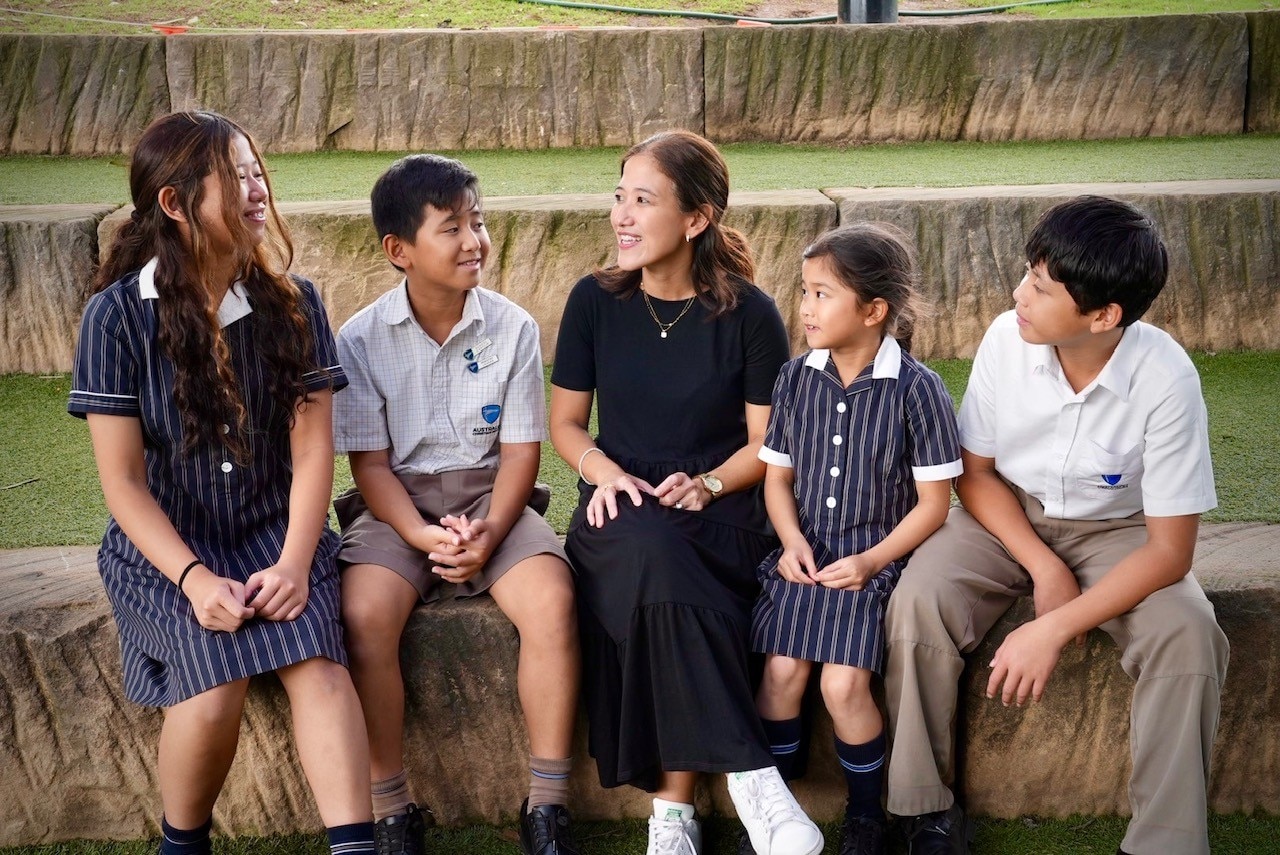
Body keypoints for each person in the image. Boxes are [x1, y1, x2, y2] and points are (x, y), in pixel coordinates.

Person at [67, 111, 374, 854]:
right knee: (212, 687)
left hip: (277, 526)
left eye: (257, 169)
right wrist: (196, 577)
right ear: (174, 203)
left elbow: (312, 456)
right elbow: (125, 483)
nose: (256, 188)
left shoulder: (295, 300)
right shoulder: (114, 318)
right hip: (167, 544)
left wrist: (298, 562)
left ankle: (357, 847)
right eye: (234, 175)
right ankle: (182, 843)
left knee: (322, 672)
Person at [883, 196, 1230, 855]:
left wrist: (1054, 625)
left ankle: (1165, 841)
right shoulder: (1003, 340)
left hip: (1120, 532)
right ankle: (921, 811)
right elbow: (975, 473)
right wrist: (1044, 566)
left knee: (1190, 632)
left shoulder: (1166, 378)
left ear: (1104, 315)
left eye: (1041, 288)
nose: (1019, 295)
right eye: (1026, 273)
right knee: (917, 599)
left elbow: (1171, 550)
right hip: (1003, 514)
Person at [549, 129, 823, 855]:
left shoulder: (752, 314)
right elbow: (567, 424)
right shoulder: (593, 302)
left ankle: (672, 815)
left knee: (667, 576)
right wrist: (603, 472)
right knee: (647, 548)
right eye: (619, 196)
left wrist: (707, 483)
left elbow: (768, 446)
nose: (623, 216)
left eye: (644, 200)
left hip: (721, 510)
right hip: (618, 507)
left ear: (696, 219)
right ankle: (753, 769)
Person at [332, 153, 581, 855]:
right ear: (398, 250)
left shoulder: (513, 327)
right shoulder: (359, 339)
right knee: (362, 615)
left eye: (479, 222)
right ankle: (391, 808)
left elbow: (520, 453)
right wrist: (417, 532)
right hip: (395, 506)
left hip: (491, 495)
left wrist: (492, 529)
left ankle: (548, 804)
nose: (475, 240)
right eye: (453, 228)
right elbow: (370, 465)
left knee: (554, 603)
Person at [749, 224, 962, 855]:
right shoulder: (793, 379)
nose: (805, 308)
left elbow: (934, 506)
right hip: (803, 559)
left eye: (822, 295)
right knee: (781, 673)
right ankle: (776, 813)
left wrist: (870, 561)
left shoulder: (918, 390)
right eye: (804, 292)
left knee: (843, 685)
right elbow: (776, 481)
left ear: (874, 311)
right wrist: (789, 543)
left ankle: (867, 815)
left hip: (875, 566)